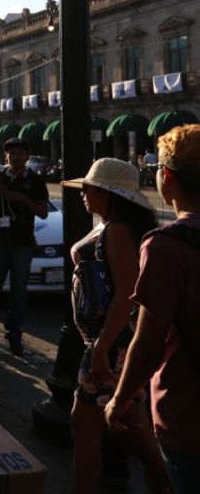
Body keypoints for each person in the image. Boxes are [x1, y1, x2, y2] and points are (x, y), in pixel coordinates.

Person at [58, 159, 169, 494]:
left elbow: (126, 292)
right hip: (106, 340)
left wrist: (103, 347)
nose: (83, 195)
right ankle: (166, 479)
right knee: (119, 423)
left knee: (90, 425)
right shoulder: (111, 224)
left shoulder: (118, 230)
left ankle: (168, 479)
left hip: (111, 341)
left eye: (88, 189)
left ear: (106, 193)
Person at [106, 125, 200, 493]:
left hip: (188, 414)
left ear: (167, 178)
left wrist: (120, 398)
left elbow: (147, 344)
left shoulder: (166, 247)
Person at [0, 137, 49, 356]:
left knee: (19, 290)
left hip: (23, 244)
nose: (16, 156)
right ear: (6, 156)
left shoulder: (35, 181)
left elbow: (43, 212)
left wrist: (23, 199)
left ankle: (14, 333)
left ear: (27, 156)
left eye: (20, 153)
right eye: (12, 153)